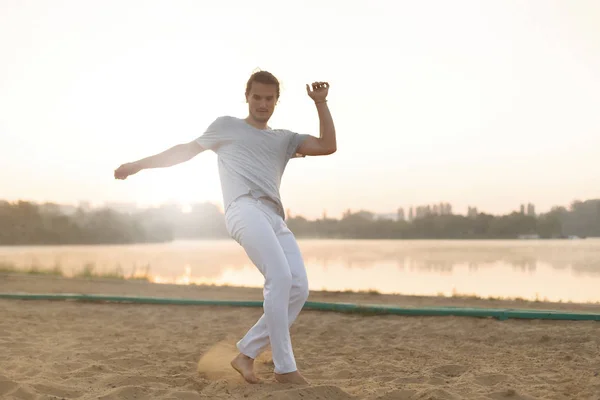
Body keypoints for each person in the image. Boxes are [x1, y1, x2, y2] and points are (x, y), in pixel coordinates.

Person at [114, 71, 337, 384]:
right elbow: (184, 151)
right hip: (243, 208)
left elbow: (328, 145)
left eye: (269, 98)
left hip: (274, 216)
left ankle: (245, 355)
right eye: (257, 97)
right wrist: (137, 166)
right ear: (247, 97)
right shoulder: (226, 127)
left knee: (298, 287)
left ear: (276, 101)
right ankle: (285, 370)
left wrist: (321, 103)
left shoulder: (283, 139)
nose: (262, 103)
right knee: (280, 277)